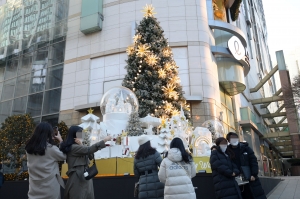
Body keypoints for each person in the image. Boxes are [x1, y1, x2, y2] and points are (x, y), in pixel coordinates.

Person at [60, 126, 111, 199]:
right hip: (77, 178)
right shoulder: (73, 147)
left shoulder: (79, 146)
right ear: (75, 135)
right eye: (80, 134)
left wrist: (81, 144)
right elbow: (89, 150)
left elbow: (90, 156)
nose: (82, 136)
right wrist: (105, 140)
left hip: (85, 177)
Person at [25, 122, 66, 199]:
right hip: (49, 187)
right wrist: (61, 140)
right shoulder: (51, 149)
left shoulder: (29, 148)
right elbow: (64, 156)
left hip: (34, 188)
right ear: (48, 134)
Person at [226, 132, 266, 199]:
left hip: (249, 177)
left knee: (252, 195)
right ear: (228, 141)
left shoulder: (246, 148)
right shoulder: (227, 151)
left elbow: (253, 161)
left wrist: (254, 174)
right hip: (236, 178)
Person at [134, 135, 164, 199]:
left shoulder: (137, 157)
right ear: (148, 143)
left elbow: (136, 172)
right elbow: (162, 166)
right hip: (156, 182)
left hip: (143, 184)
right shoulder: (154, 153)